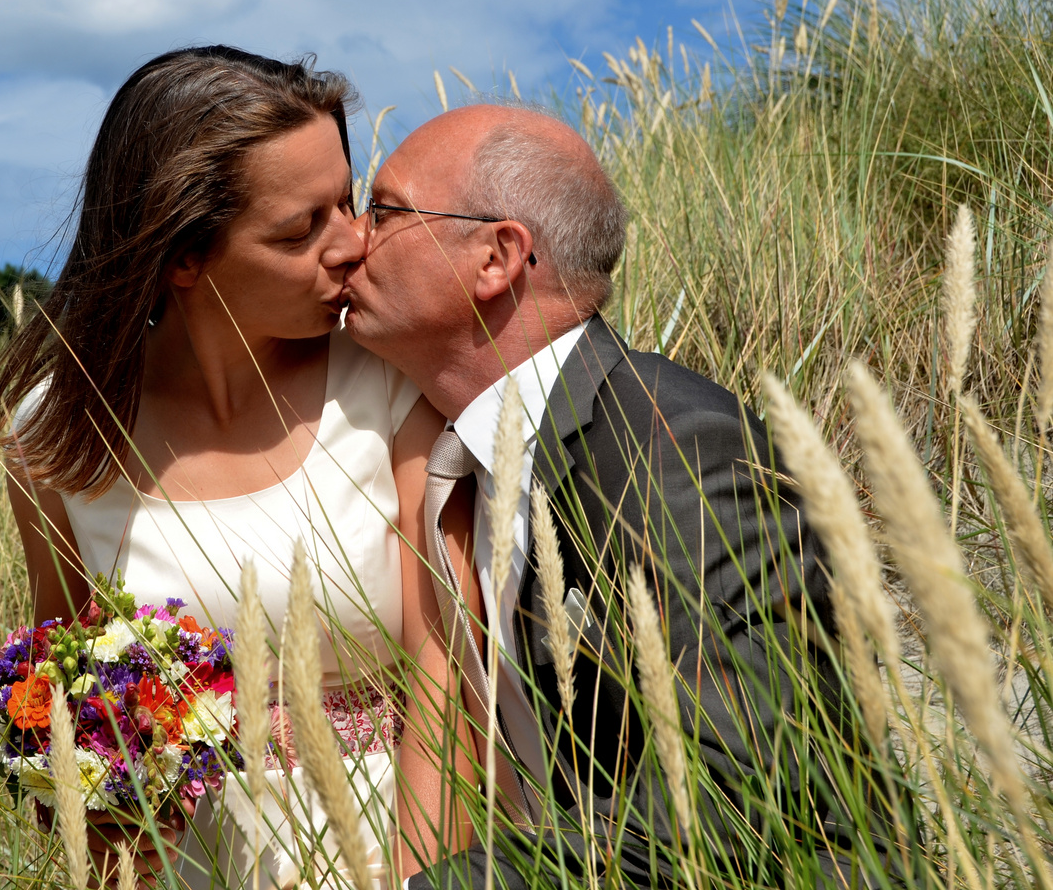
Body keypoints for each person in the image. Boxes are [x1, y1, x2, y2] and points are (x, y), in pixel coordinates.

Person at [342, 103, 851, 888]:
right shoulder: (481, 454)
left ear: (495, 258)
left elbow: (744, 784)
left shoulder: (668, 443)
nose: (352, 241)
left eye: (383, 211)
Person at [0, 46, 459, 889]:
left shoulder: (392, 381)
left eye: (347, 203)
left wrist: (422, 876)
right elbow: (62, 683)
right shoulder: (56, 437)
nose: (353, 244)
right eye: (297, 230)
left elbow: (446, 663)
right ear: (181, 256)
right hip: (189, 864)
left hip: (393, 843)